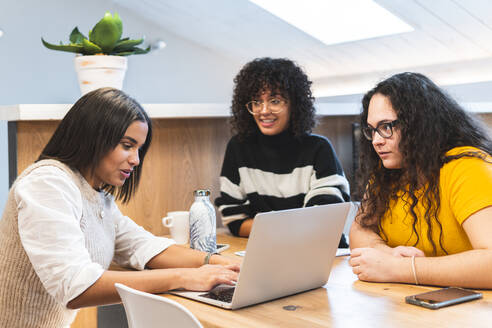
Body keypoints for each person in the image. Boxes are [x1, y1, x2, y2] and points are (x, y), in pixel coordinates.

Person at [0, 88, 240, 328]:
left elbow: (141, 245)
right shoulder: (47, 184)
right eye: (127, 145)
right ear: (91, 137)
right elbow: (76, 288)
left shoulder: (96, 194)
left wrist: (218, 263)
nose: (136, 160)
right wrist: (185, 277)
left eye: (139, 149)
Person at [349, 72, 492, 288]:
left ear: (418, 124)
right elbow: (360, 231)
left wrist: (398, 269)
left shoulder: (468, 166)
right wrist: (388, 255)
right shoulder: (385, 172)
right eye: (372, 130)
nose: (376, 141)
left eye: (386, 127)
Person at [214, 57, 350, 247]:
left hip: (322, 253)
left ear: (294, 104)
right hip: (269, 251)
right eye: (256, 102)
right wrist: (288, 229)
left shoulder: (318, 149)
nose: (264, 111)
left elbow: (323, 220)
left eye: (275, 101)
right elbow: (234, 219)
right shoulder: (238, 148)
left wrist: (268, 227)